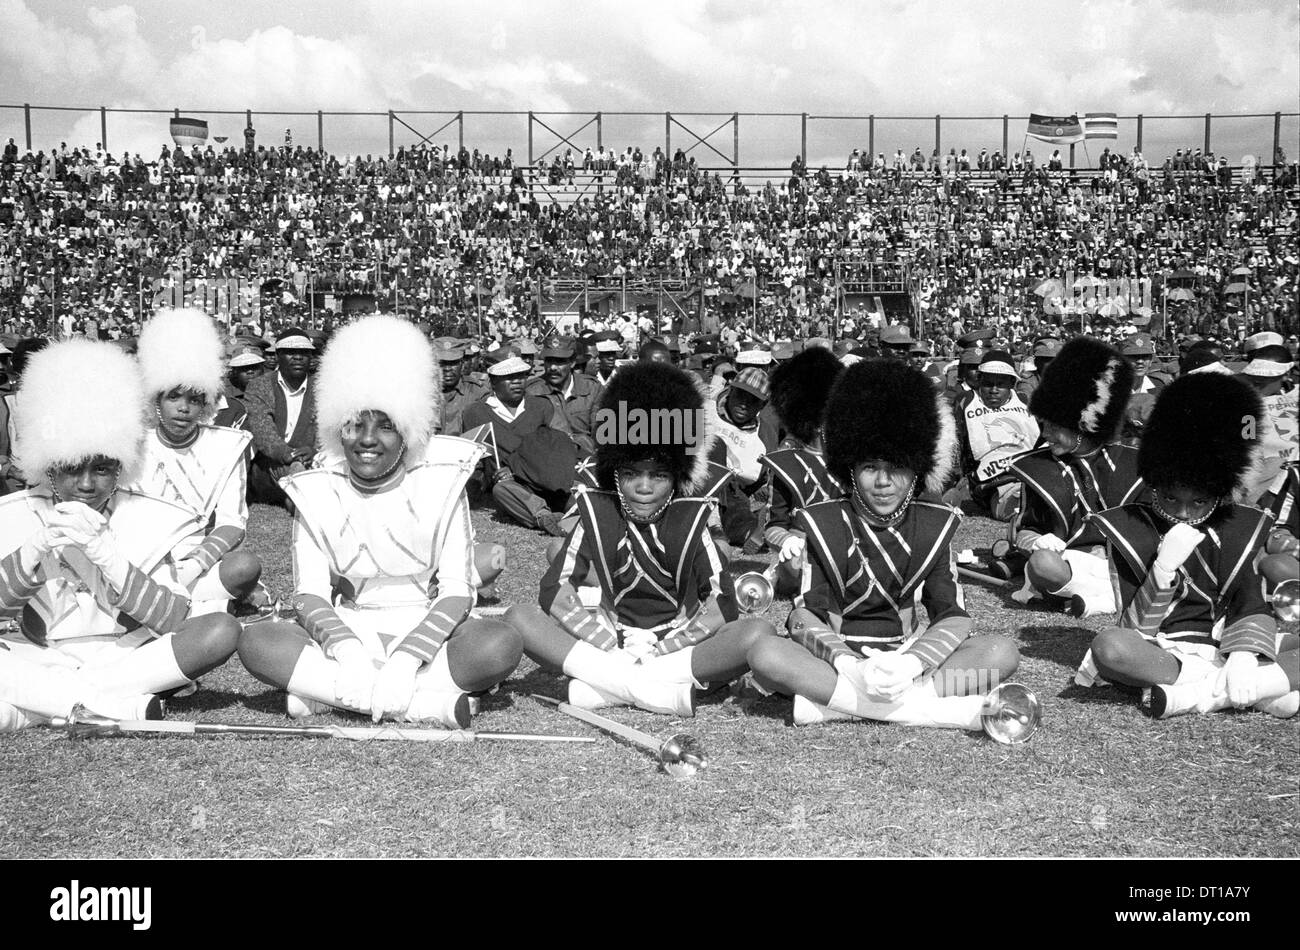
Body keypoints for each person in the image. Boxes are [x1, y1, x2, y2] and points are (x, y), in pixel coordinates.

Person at [238, 316, 522, 726]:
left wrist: (407, 659)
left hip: (428, 622)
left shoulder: (445, 481)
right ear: (339, 427)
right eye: (355, 425)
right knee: (258, 642)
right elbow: (309, 594)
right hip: (349, 624)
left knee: (499, 645)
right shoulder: (314, 490)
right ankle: (428, 704)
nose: (367, 440)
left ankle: (329, 695)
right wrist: (350, 653)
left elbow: (459, 592)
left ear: (408, 431)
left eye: (385, 427)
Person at [745, 359, 1020, 727]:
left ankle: (840, 706)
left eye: (898, 468)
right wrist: (849, 665)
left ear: (917, 470)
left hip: (910, 659)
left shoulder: (934, 525)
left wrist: (913, 662)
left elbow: (952, 615)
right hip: (839, 663)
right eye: (870, 467)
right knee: (765, 654)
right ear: (850, 468)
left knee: (1000, 653)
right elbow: (804, 616)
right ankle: (920, 710)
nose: (883, 482)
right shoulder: (822, 521)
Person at [505, 362, 774, 715]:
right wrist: (610, 645)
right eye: (631, 473)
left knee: (757, 633)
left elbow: (722, 600)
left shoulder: (691, 516)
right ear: (614, 472)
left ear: (677, 477)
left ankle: (608, 687)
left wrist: (662, 649)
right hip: (608, 643)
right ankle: (651, 690)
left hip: (676, 648)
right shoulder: (597, 512)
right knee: (519, 617)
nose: (644, 487)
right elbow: (555, 589)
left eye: (659, 475)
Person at [0, 339, 241, 731]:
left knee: (219, 630)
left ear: (121, 468)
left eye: (102, 469)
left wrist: (109, 557)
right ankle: (104, 705)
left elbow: (174, 619)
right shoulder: (15, 512)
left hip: (126, 658)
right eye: (71, 468)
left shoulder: (149, 514)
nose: (86, 484)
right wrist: (33, 550)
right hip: (38, 654)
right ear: (47, 468)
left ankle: (34, 706)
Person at [1077, 373, 1297, 719]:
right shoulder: (1131, 526)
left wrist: (1240, 656)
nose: (1183, 514)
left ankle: (1207, 695)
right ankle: (1264, 686)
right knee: (1110, 648)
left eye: (1198, 502)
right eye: (1170, 498)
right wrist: (1162, 569)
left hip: (1228, 643)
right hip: (1165, 650)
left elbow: (1250, 604)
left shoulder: (1240, 524)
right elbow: (1135, 629)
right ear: (1153, 486)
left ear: (1220, 492)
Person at [132, 308, 263, 616]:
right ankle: (204, 603)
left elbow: (233, 522)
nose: (184, 408)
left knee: (245, 566)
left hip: (197, 560)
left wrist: (190, 568)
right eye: (174, 397)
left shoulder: (226, 444)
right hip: (140, 559)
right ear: (156, 399)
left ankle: (179, 599)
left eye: (195, 400)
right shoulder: (134, 442)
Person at [1008, 337, 1142, 617]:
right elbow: (1023, 533)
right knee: (1042, 565)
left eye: (1054, 427)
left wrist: (1113, 553)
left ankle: (1098, 599)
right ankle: (1111, 598)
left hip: (1125, 562)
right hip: (1071, 562)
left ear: (1081, 425)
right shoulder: (1038, 466)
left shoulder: (1132, 463)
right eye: (1043, 426)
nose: (1045, 435)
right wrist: (1036, 541)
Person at [761, 347, 845, 596]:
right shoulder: (786, 463)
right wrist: (787, 541)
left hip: (852, 543)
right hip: (804, 547)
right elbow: (773, 526)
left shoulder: (855, 458)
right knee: (794, 565)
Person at [462, 353, 572, 536]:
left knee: (575, 493)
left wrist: (516, 469)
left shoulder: (542, 406)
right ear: (493, 381)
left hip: (549, 480)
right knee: (502, 489)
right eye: (508, 377)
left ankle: (577, 511)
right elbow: (475, 463)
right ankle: (545, 518)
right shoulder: (475, 413)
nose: (517, 381)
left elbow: (564, 444)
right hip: (514, 487)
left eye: (521, 375)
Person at [953, 350, 1040, 521]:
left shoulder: (1023, 400)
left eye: (1000, 384)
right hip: (990, 479)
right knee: (1008, 504)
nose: (994, 390)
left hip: (1029, 471)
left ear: (1012, 383)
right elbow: (955, 444)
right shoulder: (966, 401)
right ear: (979, 381)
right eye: (988, 383)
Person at [244, 327, 318, 507]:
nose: (298, 357)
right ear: (278, 355)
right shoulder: (259, 386)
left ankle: (298, 492)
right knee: (283, 471)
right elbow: (263, 431)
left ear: (310, 357)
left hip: (313, 458)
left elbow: (329, 427)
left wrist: (315, 451)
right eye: (290, 352)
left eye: (304, 353)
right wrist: (290, 456)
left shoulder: (322, 387)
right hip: (272, 463)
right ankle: (299, 492)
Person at [524, 335, 604, 455]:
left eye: (560, 362)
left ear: (572, 362)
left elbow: (600, 433)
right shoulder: (532, 391)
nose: (553, 367)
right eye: (549, 361)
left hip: (587, 459)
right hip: (550, 459)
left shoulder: (592, 388)